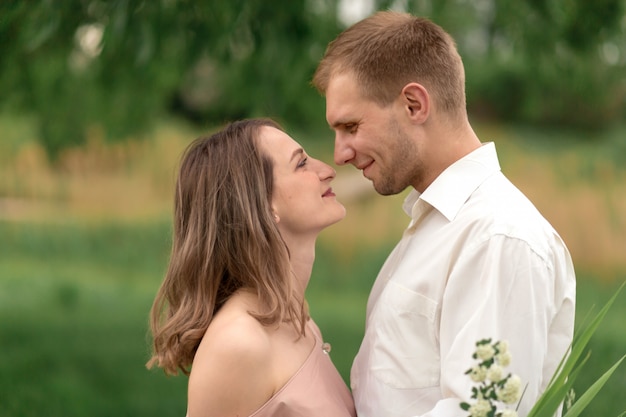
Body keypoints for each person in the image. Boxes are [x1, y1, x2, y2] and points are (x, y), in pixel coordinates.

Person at [313, 11, 576, 417]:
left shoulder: (497, 237)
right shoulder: (441, 225)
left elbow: (483, 412)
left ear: (414, 104)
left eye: (351, 126)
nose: (339, 154)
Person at [146, 118, 356, 417]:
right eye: (301, 164)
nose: (327, 170)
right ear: (262, 205)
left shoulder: (295, 319)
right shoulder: (239, 344)